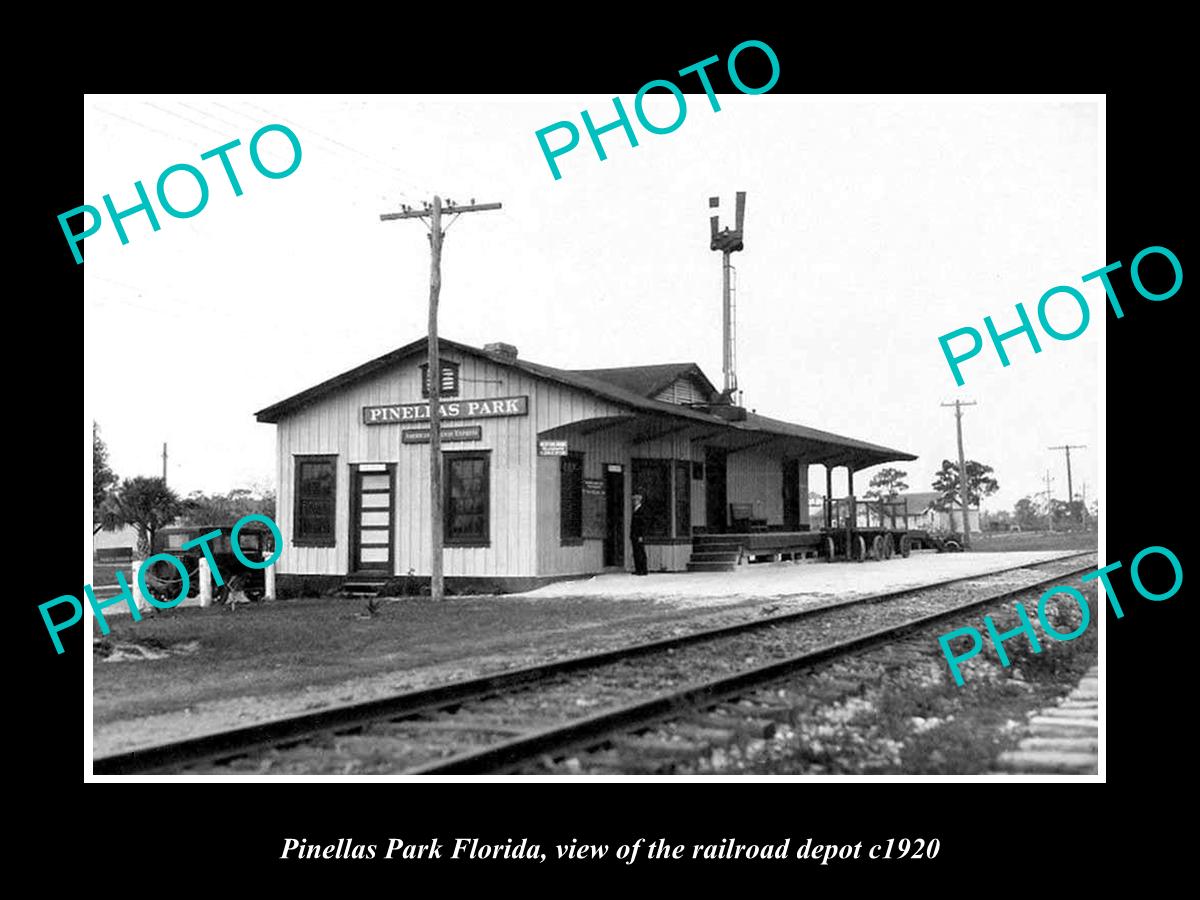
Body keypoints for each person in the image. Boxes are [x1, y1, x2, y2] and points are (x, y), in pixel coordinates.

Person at [630, 491, 648, 576]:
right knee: (636, 552)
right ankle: (638, 569)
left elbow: (643, 524)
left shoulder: (642, 510)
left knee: (640, 552)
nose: (634, 502)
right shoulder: (635, 510)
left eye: (635, 500)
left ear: (639, 501)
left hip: (639, 535)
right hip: (634, 534)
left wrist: (641, 535)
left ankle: (643, 569)